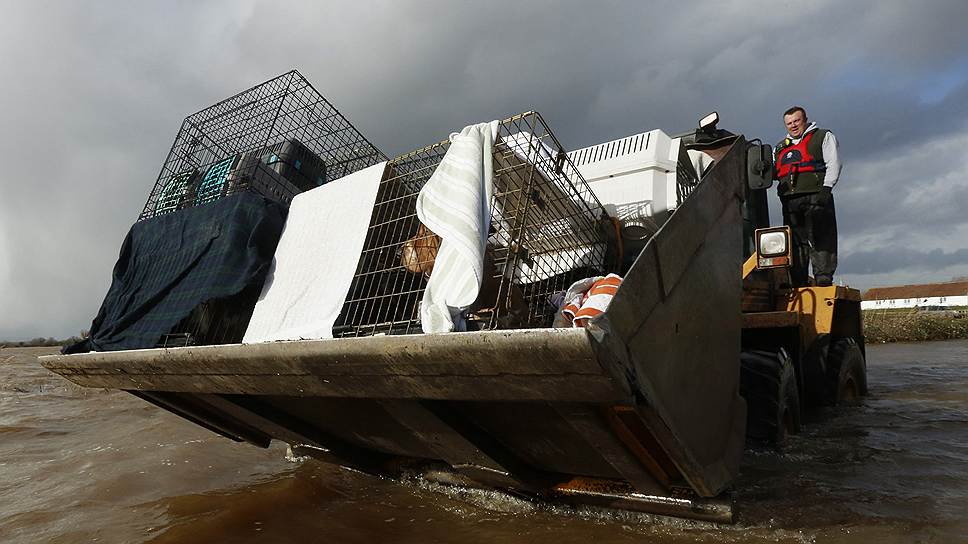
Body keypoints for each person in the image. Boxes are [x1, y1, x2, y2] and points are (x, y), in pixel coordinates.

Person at [774, 106, 841, 287]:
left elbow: (833, 163)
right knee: (795, 242)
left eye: (796, 121)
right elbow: (775, 173)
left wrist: (826, 189)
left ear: (805, 119)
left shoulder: (823, 136)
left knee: (821, 236)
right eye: (789, 123)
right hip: (790, 201)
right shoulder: (780, 147)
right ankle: (798, 280)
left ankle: (823, 277)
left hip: (816, 195)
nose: (793, 126)